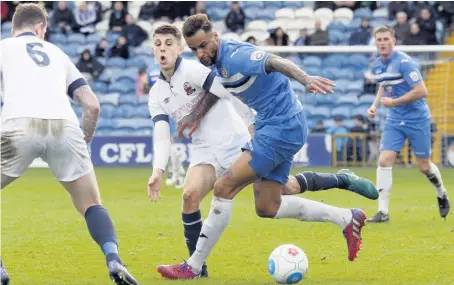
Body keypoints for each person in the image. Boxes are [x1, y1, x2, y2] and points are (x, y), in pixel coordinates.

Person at [155, 14, 378, 279]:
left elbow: (274, 61)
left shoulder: (235, 56)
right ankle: (346, 217)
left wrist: (305, 79)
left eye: (203, 45)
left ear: (215, 37)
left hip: (281, 128)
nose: (200, 53)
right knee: (268, 206)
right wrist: (194, 116)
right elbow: (216, 93)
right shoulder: (215, 63)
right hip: (274, 126)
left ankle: (192, 267)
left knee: (224, 186)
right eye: (194, 49)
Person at [0, 4, 138, 285]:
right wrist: (83, 144)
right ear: (41, 29)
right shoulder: (58, 53)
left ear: (16, 27)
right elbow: (92, 105)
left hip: (18, 124)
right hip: (64, 125)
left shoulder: (3, 48)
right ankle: (113, 259)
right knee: (91, 204)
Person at [366, 25, 450, 223]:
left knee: (423, 166)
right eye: (379, 40)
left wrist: (393, 102)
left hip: (417, 118)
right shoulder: (376, 64)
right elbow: (383, 85)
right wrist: (374, 105)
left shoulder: (404, 62)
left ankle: (441, 192)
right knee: (384, 160)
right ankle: (383, 212)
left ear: (394, 40)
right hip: (394, 119)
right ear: (375, 42)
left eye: (386, 39)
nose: (383, 43)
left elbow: (422, 91)